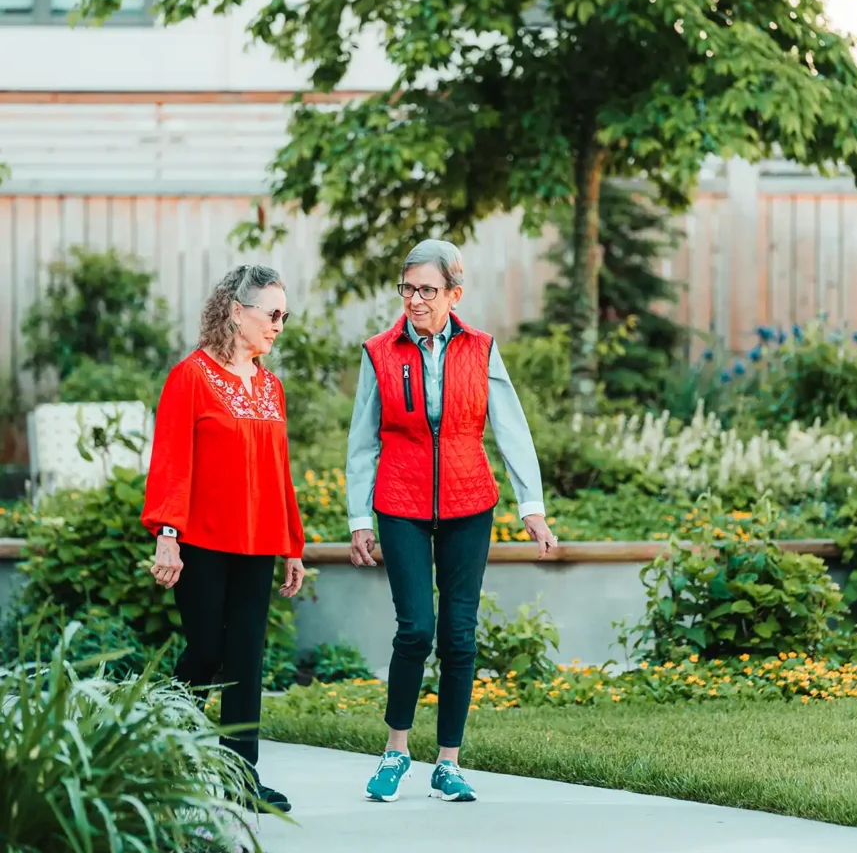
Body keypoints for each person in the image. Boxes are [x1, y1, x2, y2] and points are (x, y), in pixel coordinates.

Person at [346, 239, 557, 803]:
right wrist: (358, 517)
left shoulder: (482, 349)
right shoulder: (379, 352)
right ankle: (395, 752)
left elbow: (512, 429)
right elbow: (363, 438)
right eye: (407, 289)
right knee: (415, 628)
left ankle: (448, 763)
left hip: (469, 502)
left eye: (427, 290)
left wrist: (531, 508)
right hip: (400, 502)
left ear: (454, 295)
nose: (414, 300)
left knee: (459, 636)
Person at [141, 264, 307, 814]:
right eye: (272, 313)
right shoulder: (190, 376)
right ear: (238, 311)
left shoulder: (269, 387)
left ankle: (241, 776)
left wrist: (292, 543)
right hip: (204, 543)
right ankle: (164, 745)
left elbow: (279, 469)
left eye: (285, 314)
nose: (279, 324)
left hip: (258, 543)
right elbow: (171, 460)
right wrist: (168, 535)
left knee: (245, 658)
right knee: (207, 649)